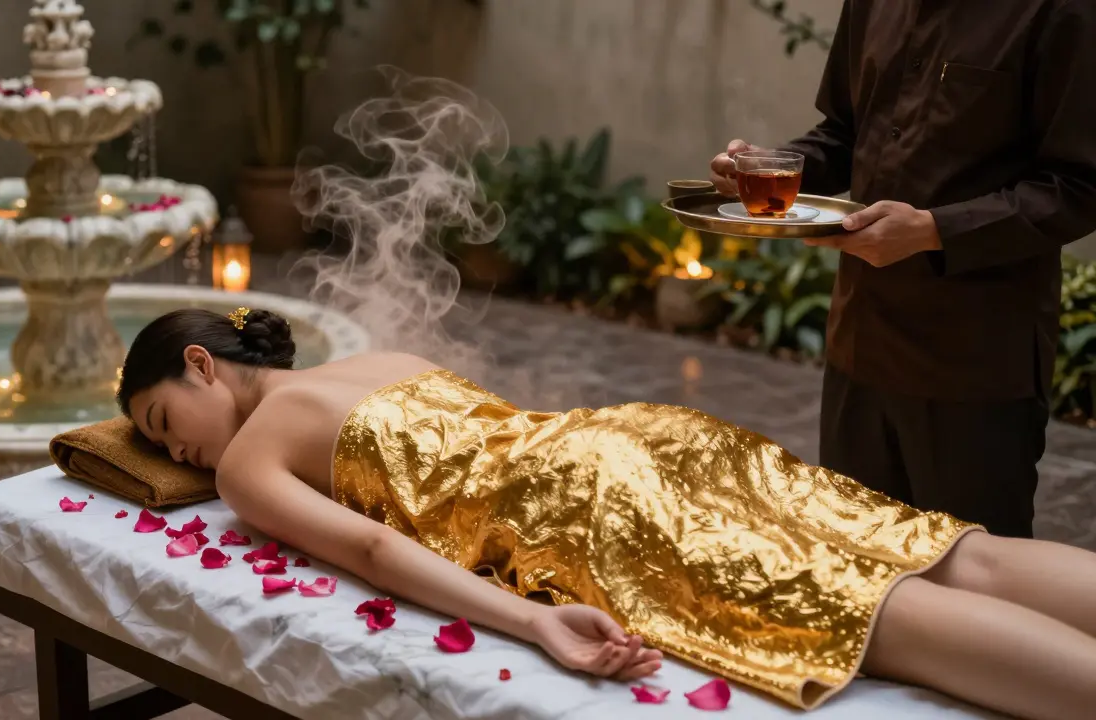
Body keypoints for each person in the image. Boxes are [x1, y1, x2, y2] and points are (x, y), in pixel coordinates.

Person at [115, 307, 1096, 719]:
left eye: (162, 422)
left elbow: (372, 546)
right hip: (635, 437)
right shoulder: (370, 358)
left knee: (869, 611)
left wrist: (533, 617)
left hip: (589, 510)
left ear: (202, 362)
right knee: (943, 554)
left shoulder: (250, 459)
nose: (175, 454)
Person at [708, 0, 1096, 539]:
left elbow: (1078, 186)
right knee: (856, 563)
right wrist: (770, 167)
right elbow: (846, 132)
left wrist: (934, 230)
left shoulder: (1060, 11)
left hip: (973, 363)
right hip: (859, 344)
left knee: (971, 583)